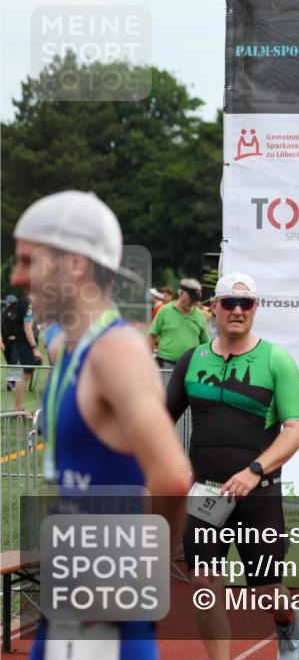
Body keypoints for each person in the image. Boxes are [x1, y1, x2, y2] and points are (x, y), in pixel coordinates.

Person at [11, 190, 192, 660]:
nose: (17, 276)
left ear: (74, 265)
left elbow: (172, 476)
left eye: (29, 260)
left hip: (107, 614)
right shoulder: (67, 349)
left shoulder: (116, 353)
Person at [166, 272, 299, 660]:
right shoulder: (191, 361)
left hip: (258, 494)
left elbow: (296, 429)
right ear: (213, 307)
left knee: (266, 589)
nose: (237, 311)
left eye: (246, 304)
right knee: (205, 583)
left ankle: (286, 624)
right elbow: (163, 422)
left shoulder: (277, 359)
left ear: (256, 309)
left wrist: (255, 471)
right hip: (206, 497)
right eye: (229, 302)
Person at [149, 278, 210, 370]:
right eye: (191, 298)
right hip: (167, 364)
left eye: (195, 299)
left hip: (191, 366)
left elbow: (205, 343)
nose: (193, 302)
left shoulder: (199, 315)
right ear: (181, 293)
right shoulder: (165, 311)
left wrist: (204, 362)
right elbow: (152, 336)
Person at [3, 295, 42, 415]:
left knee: (25, 374)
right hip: (25, 342)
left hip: (21, 341)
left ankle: (19, 407)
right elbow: (27, 327)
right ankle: (18, 409)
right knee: (25, 374)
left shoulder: (22, 301)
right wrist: (34, 347)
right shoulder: (29, 304)